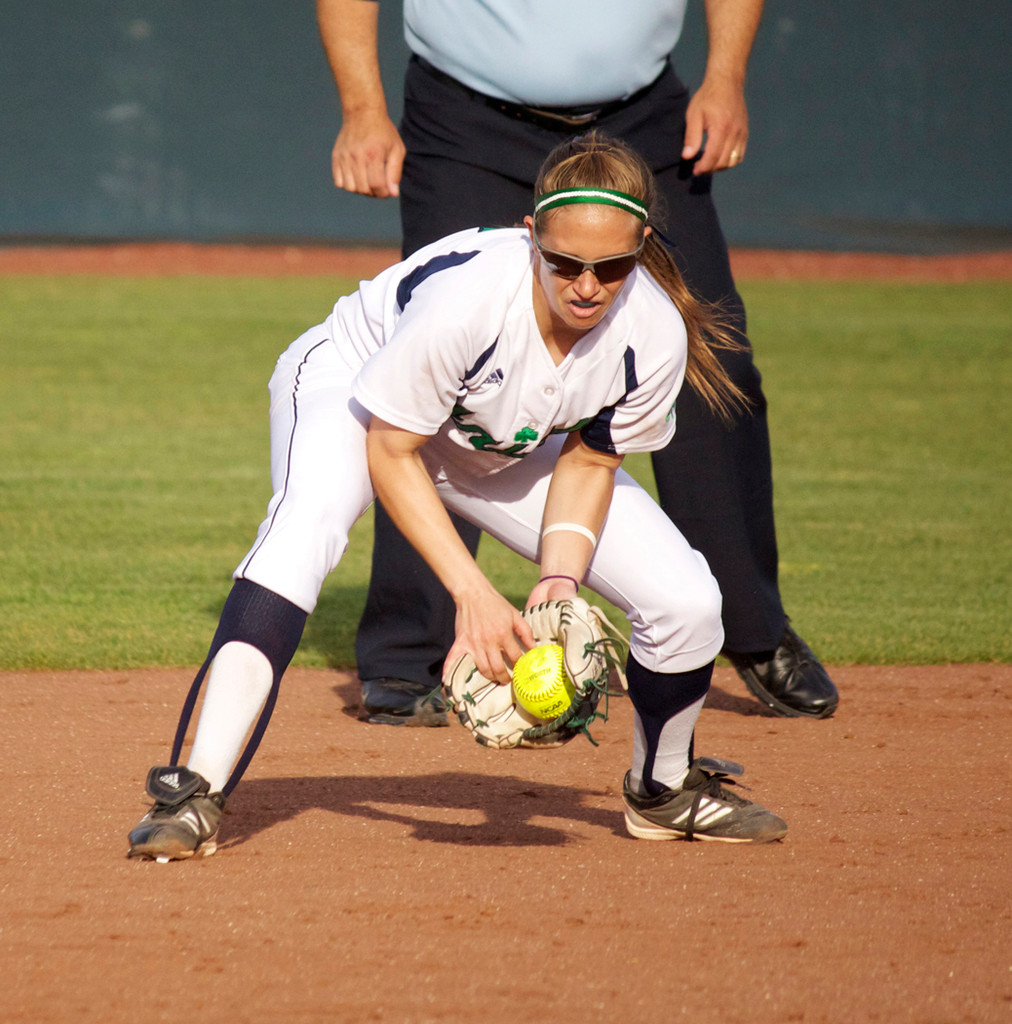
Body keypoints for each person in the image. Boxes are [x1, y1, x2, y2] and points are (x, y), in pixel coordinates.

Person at [127, 134, 787, 861]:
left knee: (686, 599)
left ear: (642, 247)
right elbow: (391, 449)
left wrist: (558, 582)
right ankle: (194, 791)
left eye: (611, 266)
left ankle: (663, 790)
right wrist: (471, 593)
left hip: (495, 438)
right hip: (356, 392)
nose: (586, 285)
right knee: (303, 531)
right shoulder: (470, 303)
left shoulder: (651, 333)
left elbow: (591, 460)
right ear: (531, 236)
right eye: (565, 262)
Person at [316, 0, 839, 725]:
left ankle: (751, 627)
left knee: (714, 370)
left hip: (643, 120)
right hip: (466, 121)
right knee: (436, 373)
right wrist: (362, 107)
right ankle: (409, 651)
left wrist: (725, 76)